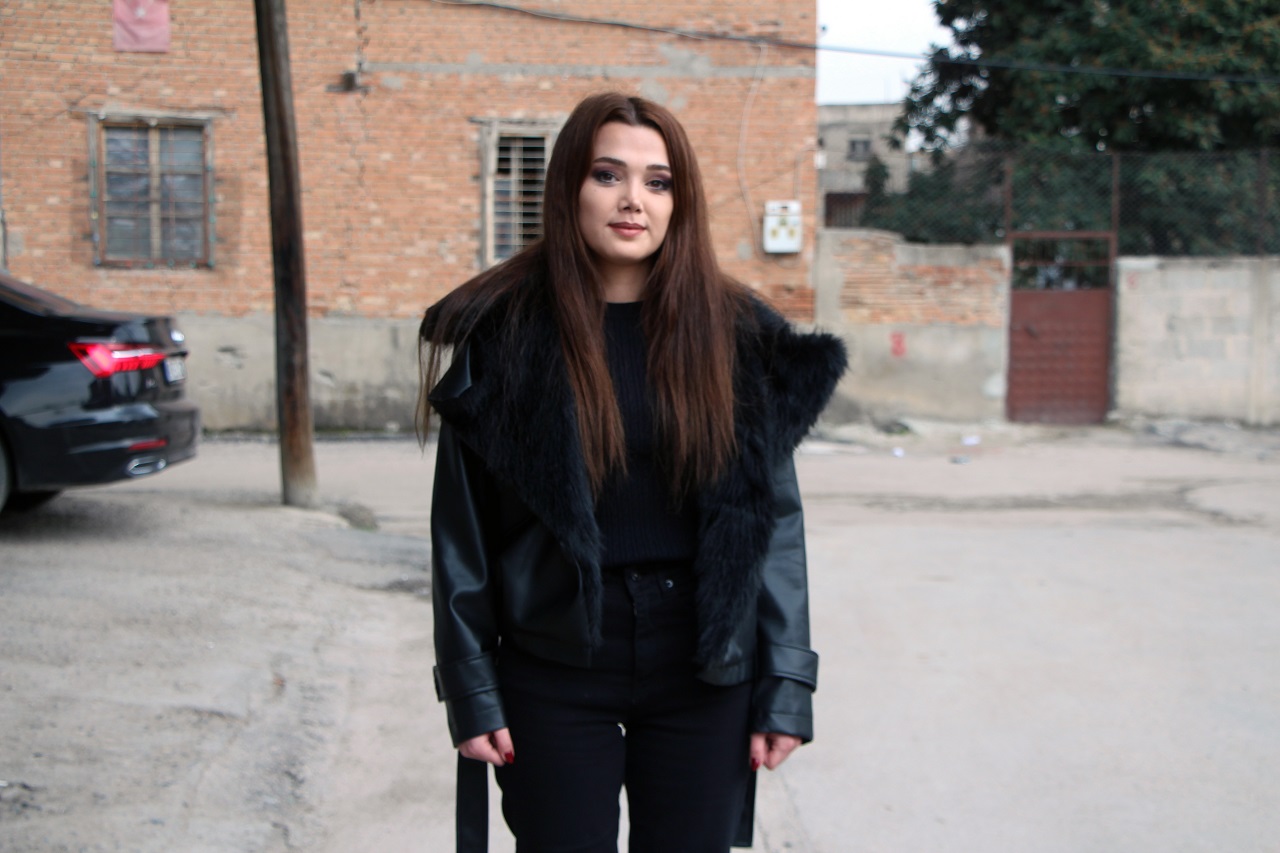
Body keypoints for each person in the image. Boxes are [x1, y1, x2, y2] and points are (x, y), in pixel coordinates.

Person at [418, 91, 846, 853]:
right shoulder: (507, 339)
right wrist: (472, 685)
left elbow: (773, 520)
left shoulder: (735, 337)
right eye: (608, 174)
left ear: (681, 203)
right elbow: (462, 532)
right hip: (554, 662)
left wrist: (786, 681)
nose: (633, 200)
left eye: (658, 182)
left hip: (702, 665)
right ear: (569, 188)